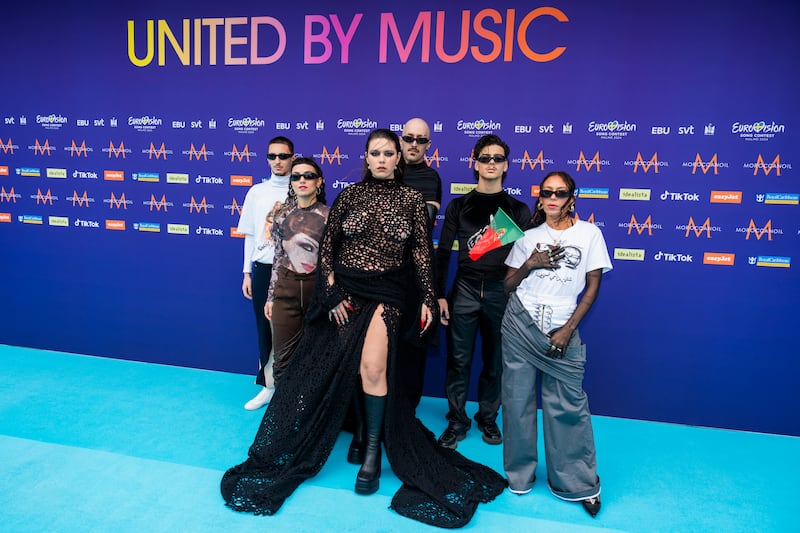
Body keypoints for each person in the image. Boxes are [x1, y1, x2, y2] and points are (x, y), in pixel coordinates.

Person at [221, 129, 506, 529]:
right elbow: (329, 253)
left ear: (398, 159)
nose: (384, 158)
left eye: (390, 153)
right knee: (333, 366)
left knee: (373, 368)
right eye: (376, 152)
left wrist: (428, 297)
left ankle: (372, 452)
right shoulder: (349, 195)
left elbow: (422, 254)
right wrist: (332, 295)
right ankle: (356, 435)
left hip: (389, 293)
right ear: (367, 158)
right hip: (346, 291)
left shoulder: (410, 199)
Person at [500, 170, 612, 518]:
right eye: (546, 193)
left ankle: (577, 483)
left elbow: (592, 287)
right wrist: (530, 263)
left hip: (562, 326)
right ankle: (519, 476)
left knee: (567, 406)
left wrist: (568, 329)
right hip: (521, 323)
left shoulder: (589, 233)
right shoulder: (528, 236)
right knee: (517, 405)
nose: (552, 198)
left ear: (571, 198)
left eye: (559, 193)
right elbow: (507, 286)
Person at [435, 134, 531, 450]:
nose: (491, 163)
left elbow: (525, 262)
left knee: (495, 361)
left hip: (499, 291)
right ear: (474, 162)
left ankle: (487, 417)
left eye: (498, 158)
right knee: (458, 361)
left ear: (506, 165)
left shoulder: (518, 210)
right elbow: (444, 253)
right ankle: (457, 420)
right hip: (463, 289)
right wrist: (439, 295)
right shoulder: (459, 205)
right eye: (485, 158)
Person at [237, 136, 295, 410]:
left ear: (292, 158)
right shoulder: (256, 192)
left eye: (283, 156)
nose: (278, 161)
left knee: (293, 331)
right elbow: (249, 234)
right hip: (262, 269)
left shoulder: (302, 188)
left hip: (293, 272)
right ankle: (268, 387)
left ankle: (291, 388)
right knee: (264, 330)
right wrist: (247, 272)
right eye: (272, 156)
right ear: (267, 159)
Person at [264, 157, 329, 382]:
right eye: (296, 176)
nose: (302, 180)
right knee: (282, 359)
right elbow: (278, 257)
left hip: (318, 292)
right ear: (291, 182)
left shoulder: (330, 216)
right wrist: (271, 296)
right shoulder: (282, 216)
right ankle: (284, 412)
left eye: (308, 176)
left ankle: (310, 413)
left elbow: (332, 262)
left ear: (319, 182)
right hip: (286, 290)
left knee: (318, 358)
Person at [397, 118, 442, 407]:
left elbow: (420, 227)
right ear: (400, 140)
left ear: (428, 145)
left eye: (421, 139)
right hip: (377, 274)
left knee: (412, 345)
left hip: (413, 275)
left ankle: (405, 412)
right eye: (409, 138)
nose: (414, 144)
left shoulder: (430, 178)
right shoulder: (382, 172)